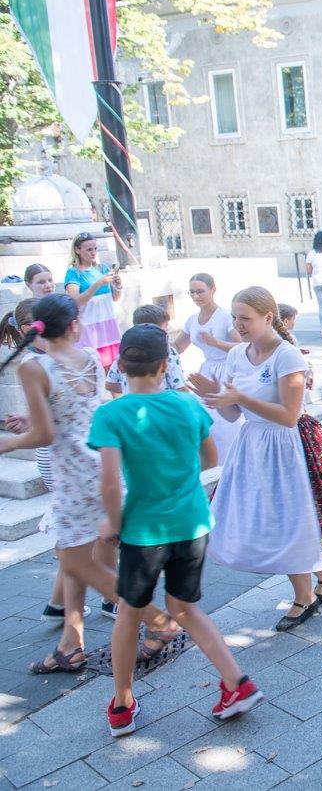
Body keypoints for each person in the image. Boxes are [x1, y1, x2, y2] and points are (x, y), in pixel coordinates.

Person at [91, 325, 263, 736]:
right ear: (166, 365)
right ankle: (238, 683)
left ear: (120, 366)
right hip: (192, 523)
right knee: (184, 607)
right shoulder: (187, 404)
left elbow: (110, 483)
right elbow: (209, 458)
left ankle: (122, 703)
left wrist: (112, 522)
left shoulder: (110, 414)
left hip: (144, 531)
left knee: (129, 612)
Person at [0, 295, 176, 674]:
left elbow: (45, 433)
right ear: (75, 325)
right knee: (76, 556)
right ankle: (71, 644)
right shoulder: (92, 358)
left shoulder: (34, 367)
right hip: (101, 462)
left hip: (71, 473)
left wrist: (9, 443)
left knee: (76, 561)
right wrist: (31, 422)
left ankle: (156, 620)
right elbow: (75, 413)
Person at [192, 287, 322, 632]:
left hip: (285, 446)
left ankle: (304, 595)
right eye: (235, 318)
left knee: (285, 520)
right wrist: (215, 397)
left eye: (245, 318)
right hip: (252, 444)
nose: (238, 325)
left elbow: (288, 415)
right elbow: (231, 415)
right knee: (272, 519)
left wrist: (238, 396)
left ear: (268, 317)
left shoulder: (287, 356)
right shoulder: (237, 355)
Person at [174, 273, 244, 459]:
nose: (196, 296)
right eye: (192, 292)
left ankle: (231, 457)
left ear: (213, 290)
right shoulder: (192, 320)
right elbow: (178, 347)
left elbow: (242, 346)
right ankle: (211, 458)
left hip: (227, 369)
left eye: (200, 291)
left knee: (225, 419)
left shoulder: (225, 316)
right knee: (206, 415)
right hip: (207, 370)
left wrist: (216, 343)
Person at [63, 231, 122, 368]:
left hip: (108, 323)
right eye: (89, 249)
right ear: (77, 250)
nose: (93, 253)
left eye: (95, 249)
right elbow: (75, 302)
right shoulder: (73, 272)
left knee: (112, 368)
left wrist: (118, 286)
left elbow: (115, 298)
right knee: (92, 367)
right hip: (88, 326)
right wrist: (98, 284)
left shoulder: (103, 268)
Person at [105, 305, 185, 396]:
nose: (167, 330)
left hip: (132, 403)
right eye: (165, 327)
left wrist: (129, 390)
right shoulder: (168, 353)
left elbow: (109, 384)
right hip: (160, 403)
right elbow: (180, 388)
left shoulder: (126, 352)